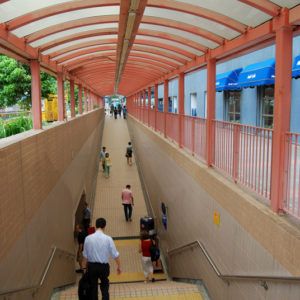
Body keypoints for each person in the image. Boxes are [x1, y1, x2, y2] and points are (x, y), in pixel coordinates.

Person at [82, 218, 121, 300]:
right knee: (104, 286)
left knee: (93, 287)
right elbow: (115, 254)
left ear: (95, 226)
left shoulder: (88, 238)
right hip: (103, 267)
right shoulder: (108, 239)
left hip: (91, 266)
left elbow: (85, 255)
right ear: (104, 227)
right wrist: (119, 266)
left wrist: (84, 267)